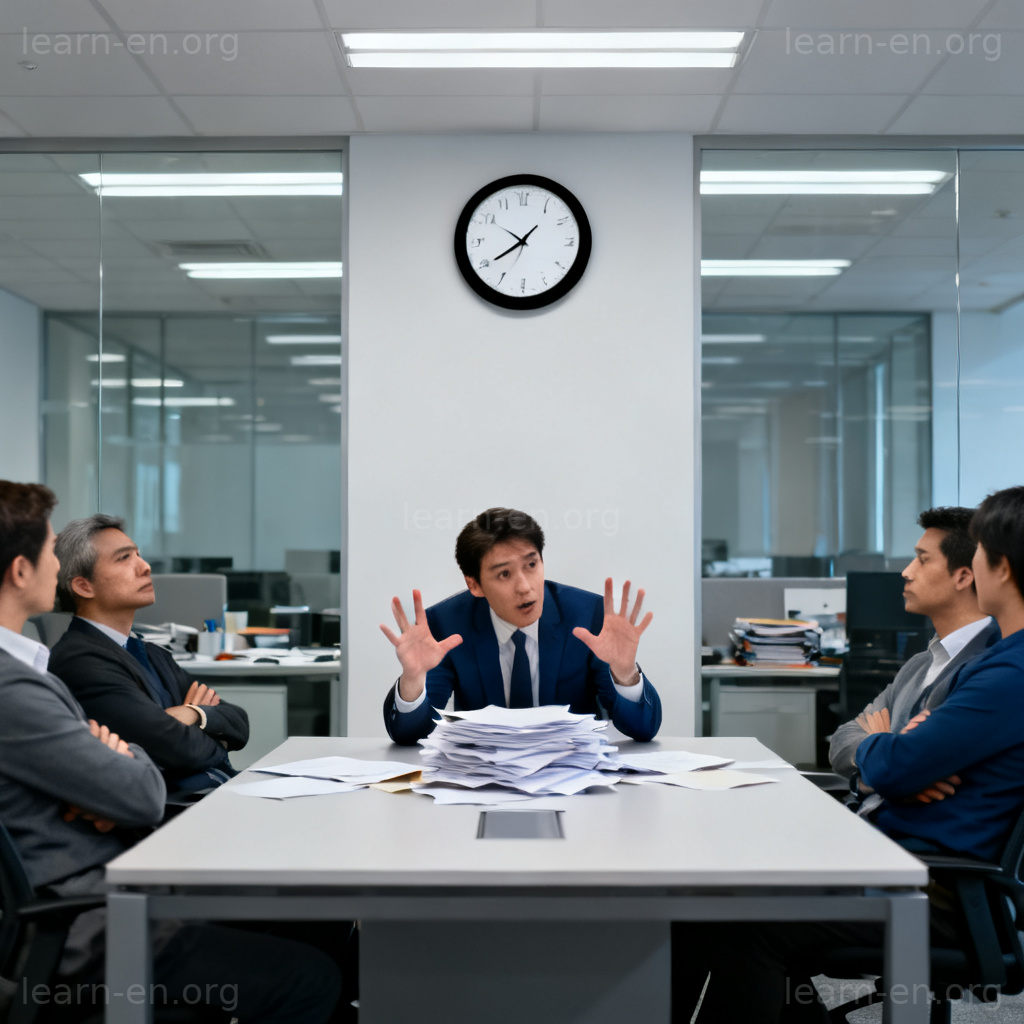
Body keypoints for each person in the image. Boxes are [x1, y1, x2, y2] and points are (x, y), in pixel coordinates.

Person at [675, 485, 1024, 1024]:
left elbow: (898, 765)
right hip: (894, 858)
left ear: (994, 567)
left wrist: (896, 759)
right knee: (719, 900)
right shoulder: (971, 664)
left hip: (935, 885)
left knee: (737, 924)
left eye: (976, 551)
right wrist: (894, 756)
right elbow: (863, 746)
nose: (906, 571)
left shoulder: (1004, 672)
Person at [0, 481, 340, 1022]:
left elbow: (236, 723)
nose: (56, 568)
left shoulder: (71, 664)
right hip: (103, 918)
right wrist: (133, 758)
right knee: (310, 974)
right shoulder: (24, 682)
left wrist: (157, 735)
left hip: (125, 878)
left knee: (322, 916)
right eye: (47, 551)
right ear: (22, 570)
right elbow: (141, 789)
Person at [381, 506, 662, 744]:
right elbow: (410, 735)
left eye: (531, 565)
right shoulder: (446, 625)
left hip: (573, 776)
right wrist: (413, 681)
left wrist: (625, 674)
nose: (525, 588)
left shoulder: (588, 616)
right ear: (474, 585)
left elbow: (643, 729)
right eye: (504, 573)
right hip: (482, 778)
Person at [49, 514, 248, 798]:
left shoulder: (151, 653)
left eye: (139, 555)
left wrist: (192, 713)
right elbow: (176, 748)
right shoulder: (81, 661)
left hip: (215, 794)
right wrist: (212, 734)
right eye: (123, 559)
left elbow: (239, 722)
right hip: (169, 814)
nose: (145, 567)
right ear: (83, 586)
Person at [830, 506, 1000, 799]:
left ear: (962, 577)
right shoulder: (919, 665)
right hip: (872, 818)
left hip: (910, 836)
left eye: (923, 560)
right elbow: (841, 740)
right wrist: (875, 775)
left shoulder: (987, 667)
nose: (906, 572)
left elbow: (906, 766)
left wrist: (885, 759)